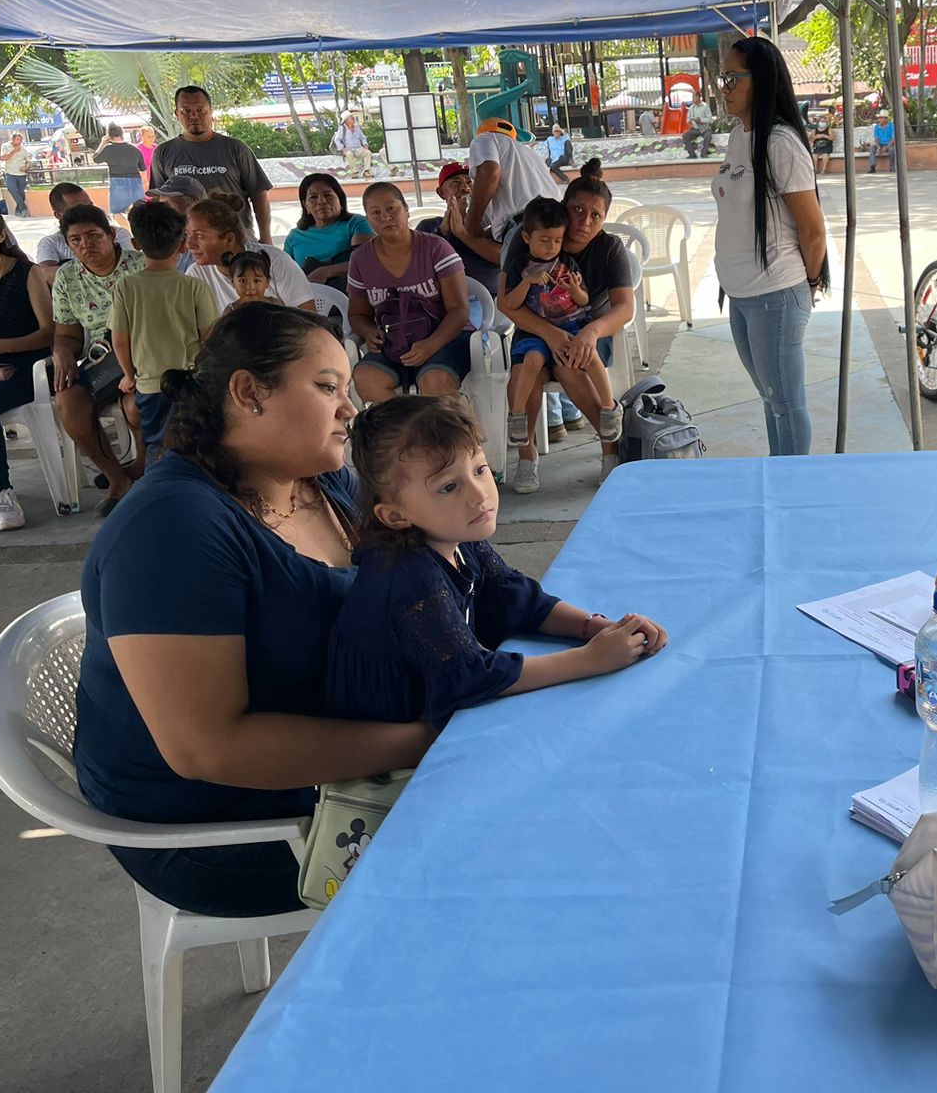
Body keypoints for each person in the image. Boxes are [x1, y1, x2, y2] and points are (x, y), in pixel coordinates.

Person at [72, 303, 437, 917]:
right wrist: (425, 742)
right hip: (212, 825)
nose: (351, 409)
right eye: (327, 388)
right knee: (489, 837)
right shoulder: (173, 530)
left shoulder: (323, 481)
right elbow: (207, 750)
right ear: (249, 392)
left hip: (330, 752)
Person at [325, 395, 665, 724]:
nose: (479, 495)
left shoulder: (453, 534)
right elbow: (470, 676)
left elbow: (514, 596)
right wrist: (590, 660)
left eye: (479, 469)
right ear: (395, 516)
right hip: (393, 740)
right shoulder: (409, 574)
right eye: (448, 487)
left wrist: (595, 626)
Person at [711, 37, 827, 458]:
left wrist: (811, 283)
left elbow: (813, 231)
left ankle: (793, 492)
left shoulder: (779, 143)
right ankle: (780, 479)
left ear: (760, 80)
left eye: (731, 78)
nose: (723, 86)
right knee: (770, 398)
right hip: (741, 296)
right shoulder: (740, 136)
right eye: (721, 77)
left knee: (786, 403)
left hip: (775, 294)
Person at [501, 158, 636, 492]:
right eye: (578, 210)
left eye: (596, 216)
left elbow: (624, 309)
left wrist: (591, 332)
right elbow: (505, 302)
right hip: (535, 329)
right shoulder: (530, 236)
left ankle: (610, 451)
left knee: (569, 365)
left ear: (604, 220)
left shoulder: (609, 248)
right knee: (524, 372)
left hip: (588, 330)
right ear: (564, 207)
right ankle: (527, 458)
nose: (585, 222)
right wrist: (548, 332)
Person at [502, 196, 618, 457]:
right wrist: (527, 282)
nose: (551, 247)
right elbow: (509, 302)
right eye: (545, 241)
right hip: (535, 332)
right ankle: (517, 415)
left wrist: (575, 289)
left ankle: (610, 407)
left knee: (588, 356)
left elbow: (584, 300)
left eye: (557, 241)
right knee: (529, 362)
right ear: (526, 238)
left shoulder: (566, 262)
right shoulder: (520, 265)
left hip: (573, 324)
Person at [51, 203, 147, 513]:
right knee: (68, 401)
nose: (85, 245)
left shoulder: (142, 266)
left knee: (136, 405)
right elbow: (67, 333)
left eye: (93, 236)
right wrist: (62, 351)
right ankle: (117, 477)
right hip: (101, 361)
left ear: (111, 235)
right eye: (75, 240)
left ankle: (143, 469)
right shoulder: (67, 276)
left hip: (143, 353)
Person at [111, 200, 219, 462]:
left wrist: (129, 375)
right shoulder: (195, 287)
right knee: (195, 446)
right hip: (191, 383)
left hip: (150, 386)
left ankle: (158, 491)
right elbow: (211, 339)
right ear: (182, 244)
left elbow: (120, 340)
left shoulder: (126, 287)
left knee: (156, 446)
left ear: (136, 244)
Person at [0, 201, 53, 530]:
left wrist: (2, 347)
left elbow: (48, 333)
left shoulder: (25, 273)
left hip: (27, 367)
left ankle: (1, 492)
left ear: (1, 235)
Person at [347, 182, 470, 405]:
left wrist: (431, 344)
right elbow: (357, 314)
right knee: (365, 378)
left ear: (406, 209)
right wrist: (368, 332)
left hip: (444, 338)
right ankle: (408, 430)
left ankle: (457, 437)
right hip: (394, 340)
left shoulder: (436, 248)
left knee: (434, 380)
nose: (385, 217)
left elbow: (459, 311)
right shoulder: (360, 259)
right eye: (376, 213)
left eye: (391, 208)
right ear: (368, 218)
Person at [150, 85, 274, 243]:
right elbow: (158, 201)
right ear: (177, 114)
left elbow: (258, 194)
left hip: (234, 240)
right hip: (187, 245)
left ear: (211, 111)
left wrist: (266, 237)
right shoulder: (163, 152)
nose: (194, 116)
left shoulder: (236, 148)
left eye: (200, 110)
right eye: (186, 111)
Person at [185, 192, 316, 311]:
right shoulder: (196, 275)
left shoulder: (275, 261)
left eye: (199, 236)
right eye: (187, 235)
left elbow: (309, 318)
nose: (190, 244)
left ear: (229, 239)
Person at [463, 118, 560, 247]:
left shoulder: (485, 139)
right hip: (557, 221)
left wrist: (472, 223)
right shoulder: (529, 152)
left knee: (514, 266)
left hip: (526, 223)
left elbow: (489, 173)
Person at [419, 161, 503, 300]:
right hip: (443, 300)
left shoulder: (493, 222)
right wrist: (443, 232)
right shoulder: (429, 226)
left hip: (490, 299)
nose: (465, 188)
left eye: (469, 182)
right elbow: (420, 267)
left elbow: (502, 258)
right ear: (441, 193)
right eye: (456, 183)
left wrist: (463, 235)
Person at [282, 172, 373, 290]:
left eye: (328, 195)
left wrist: (326, 272)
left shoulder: (356, 223)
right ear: (305, 205)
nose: (321, 201)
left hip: (350, 295)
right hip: (307, 297)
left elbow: (367, 260)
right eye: (313, 197)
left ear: (340, 199)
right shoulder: (295, 236)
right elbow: (285, 273)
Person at [35, 183, 133, 278]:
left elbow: (129, 267)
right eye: (76, 240)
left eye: (89, 206)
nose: (86, 212)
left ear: (111, 235)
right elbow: (45, 274)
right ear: (58, 215)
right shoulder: (51, 242)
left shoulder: (119, 234)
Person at [144, 174, 206, 272]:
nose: (163, 210)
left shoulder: (211, 240)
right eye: (161, 203)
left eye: (169, 203)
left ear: (195, 202)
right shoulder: (161, 239)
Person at [93, 123, 147, 228]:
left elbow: (96, 158)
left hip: (117, 181)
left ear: (109, 136)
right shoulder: (135, 150)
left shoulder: (108, 149)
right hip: (136, 181)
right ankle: (140, 231)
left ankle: (129, 231)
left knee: (117, 212)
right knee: (140, 211)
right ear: (122, 134)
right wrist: (144, 185)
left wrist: (102, 143)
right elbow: (143, 169)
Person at [332, 112, 373, 179]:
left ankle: (366, 171)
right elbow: (337, 140)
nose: (353, 119)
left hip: (358, 148)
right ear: (347, 120)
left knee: (368, 153)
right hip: (349, 149)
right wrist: (342, 149)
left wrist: (365, 144)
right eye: (351, 118)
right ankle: (354, 172)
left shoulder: (357, 127)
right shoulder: (342, 128)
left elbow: (363, 137)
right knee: (348, 154)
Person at [0, 133, 29, 217]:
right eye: (17, 139)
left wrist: (26, 167)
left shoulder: (23, 149)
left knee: (21, 192)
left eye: (21, 140)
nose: (19, 142)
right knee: (11, 189)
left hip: (21, 174)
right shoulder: (5, 146)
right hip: (10, 173)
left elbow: (28, 161)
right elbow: (3, 158)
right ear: (13, 139)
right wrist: (14, 151)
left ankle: (19, 210)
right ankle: (23, 208)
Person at [867, 109, 895, 174]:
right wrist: (878, 146)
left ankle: (892, 166)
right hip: (880, 144)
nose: (880, 119)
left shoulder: (891, 126)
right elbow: (876, 138)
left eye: (882, 118)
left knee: (892, 150)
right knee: (872, 148)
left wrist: (886, 147)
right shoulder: (877, 127)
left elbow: (893, 139)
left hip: (889, 144)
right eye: (880, 118)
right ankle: (872, 167)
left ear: (886, 119)